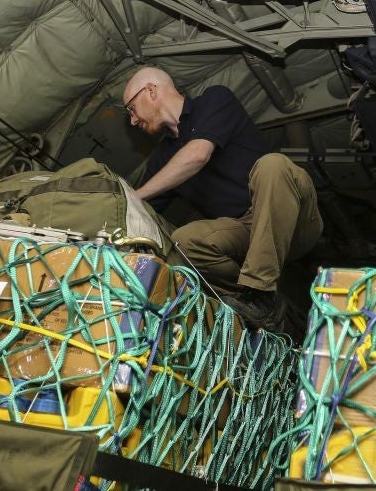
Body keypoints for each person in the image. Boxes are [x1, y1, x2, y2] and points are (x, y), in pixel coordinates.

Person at [122, 66, 323, 332]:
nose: (133, 121)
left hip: (290, 215)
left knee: (272, 166)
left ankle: (259, 290)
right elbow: (140, 211)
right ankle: (255, 299)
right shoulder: (162, 158)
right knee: (184, 242)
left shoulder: (213, 100)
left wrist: (136, 195)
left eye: (132, 109)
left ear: (150, 91)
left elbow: (197, 154)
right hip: (246, 235)